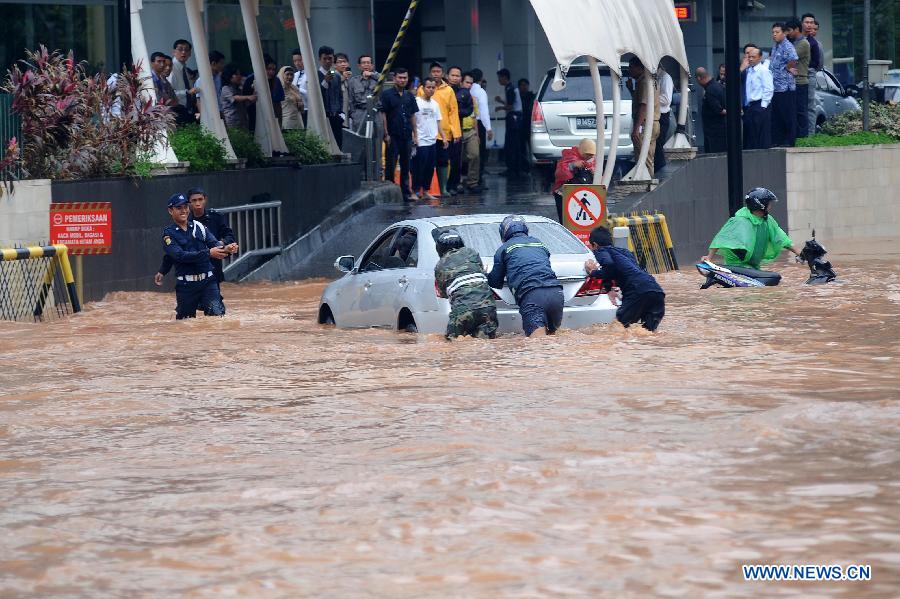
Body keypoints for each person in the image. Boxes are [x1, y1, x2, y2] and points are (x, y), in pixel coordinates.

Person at [487, 215, 564, 337]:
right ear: (525, 229)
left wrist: (482, 274)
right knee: (553, 341)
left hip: (532, 296)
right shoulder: (540, 244)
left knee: (538, 347)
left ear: (503, 234)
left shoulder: (503, 250)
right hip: (557, 294)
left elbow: (495, 282)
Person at [160, 193, 229, 319]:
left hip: (208, 282)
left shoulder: (199, 226)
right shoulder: (168, 234)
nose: (184, 210)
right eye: (179, 208)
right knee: (185, 323)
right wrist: (209, 253)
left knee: (218, 318)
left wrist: (226, 248)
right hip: (186, 286)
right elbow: (180, 255)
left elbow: (215, 244)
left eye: (185, 207)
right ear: (171, 211)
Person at [583, 226, 665, 332]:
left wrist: (593, 272)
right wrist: (609, 288)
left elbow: (608, 264)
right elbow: (618, 270)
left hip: (637, 291)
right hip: (656, 291)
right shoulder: (625, 253)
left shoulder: (601, 250)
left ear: (595, 244)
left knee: (619, 328)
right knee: (647, 333)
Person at [701, 187, 801, 271]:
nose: (771, 205)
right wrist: (709, 257)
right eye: (769, 203)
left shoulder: (768, 221)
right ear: (761, 204)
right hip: (736, 266)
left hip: (753, 267)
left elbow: (782, 239)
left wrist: (800, 253)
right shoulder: (740, 221)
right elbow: (722, 238)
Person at [157, 187, 239, 287]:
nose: (197, 203)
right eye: (194, 200)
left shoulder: (216, 217)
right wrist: (163, 271)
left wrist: (225, 246)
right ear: (189, 203)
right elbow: (174, 253)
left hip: (213, 267)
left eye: (200, 199)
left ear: (205, 199)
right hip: (191, 270)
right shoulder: (183, 222)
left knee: (215, 300)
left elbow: (229, 236)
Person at [433, 229, 498, 339]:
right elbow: (481, 271)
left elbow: (443, 294)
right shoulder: (472, 253)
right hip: (487, 308)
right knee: (486, 345)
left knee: (453, 346)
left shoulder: (440, 266)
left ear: (439, 248)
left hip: (462, 311)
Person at [418, 62, 460, 196]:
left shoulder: (448, 90)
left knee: (443, 161)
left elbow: (453, 112)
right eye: (434, 71)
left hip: (443, 132)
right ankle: (424, 189)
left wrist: (456, 132)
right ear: (430, 73)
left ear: (443, 74)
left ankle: (443, 188)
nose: (436, 74)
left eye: (438, 72)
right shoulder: (422, 89)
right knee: (426, 162)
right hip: (426, 133)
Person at [381, 68, 419, 201]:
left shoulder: (409, 96)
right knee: (391, 164)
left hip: (406, 134)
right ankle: (389, 193)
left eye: (405, 78)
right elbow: (383, 114)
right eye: (400, 77)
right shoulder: (386, 95)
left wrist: (415, 134)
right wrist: (386, 133)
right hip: (393, 134)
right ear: (394, 78)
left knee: (406, 165)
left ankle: (405, 193)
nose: (402, 80)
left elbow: (413, 115)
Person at [626, 57, 661, 177]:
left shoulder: (645, 82)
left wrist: (636, 128)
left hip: (646, 124)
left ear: (639, 68)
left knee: (644, 158)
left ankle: (647, 183)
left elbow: (643, 106)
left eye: (631, 67)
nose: (629, 70)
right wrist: (632, 90)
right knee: (647, 156)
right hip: (652, 122)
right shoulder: (649, 80)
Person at [413, 77, 445, 200]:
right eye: (428, 87)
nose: (431, 90)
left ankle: (426, 190)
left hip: (433, 140)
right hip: (421, 140)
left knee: (430, 168)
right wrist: (414, 136)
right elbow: (413, 120)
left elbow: (438, 122)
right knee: (419, 166)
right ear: (423, 88)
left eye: (433, 87)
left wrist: (444, 137)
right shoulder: (416, 102)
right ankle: (416, 190)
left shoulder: (435, 104)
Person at [551, 138, 596, 222]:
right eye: (587, 154)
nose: (590, 157)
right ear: (582, 152)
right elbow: (560, 174)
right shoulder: (569, 157)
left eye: (591, 155)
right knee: (566, 221)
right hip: (563, 195)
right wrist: (572, 165)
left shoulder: (592, 162)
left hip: (581, 194)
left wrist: (593, 172)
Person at [769, 22, 799, 147]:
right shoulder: (776, 45)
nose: (774, 35)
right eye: (773, 32)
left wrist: (788, 68)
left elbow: (794, 58)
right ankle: (779, 140)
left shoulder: (787, 46)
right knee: (778, 115)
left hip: (785, 87)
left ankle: (789, 141)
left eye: (777, 32)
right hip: (775, 87)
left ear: (784, 33)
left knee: (787, 115)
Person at [447, 66, 474, 194]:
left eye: (457, 76)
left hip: (457, 130)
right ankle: (443, 185)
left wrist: (458, 112)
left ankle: (454, 184)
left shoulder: (464, 93)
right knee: (442, 159)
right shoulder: (442, 90)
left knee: (456, 159)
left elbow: (469, 109)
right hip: (442, 131)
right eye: (453, 75)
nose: (455, 78)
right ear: (447, 76)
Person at [741, 45, 774, 150]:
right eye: (749, 56)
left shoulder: (763, 71)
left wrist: (763, 106)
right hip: (749, 106)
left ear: (759, 58)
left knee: (760, 134)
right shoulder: (748, 71)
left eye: (753, 57)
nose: (750, 59)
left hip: (759, 105)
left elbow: (768, 89)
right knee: (750, 134)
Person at [495, 68, 524, 177]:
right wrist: (501, 102)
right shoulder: (510, 88)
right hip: (514, 117)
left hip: (514, 118)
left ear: (504, 77)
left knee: (512, 144)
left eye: (499, 78)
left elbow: (511, 106)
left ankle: (513, 169)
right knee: (512, 144)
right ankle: (513, 168)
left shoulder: (510, 88)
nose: (499, 81)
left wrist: (500, 107)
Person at [243, 54, 283, 131]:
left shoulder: (276, 81)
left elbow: (278, 104)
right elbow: (246, 102)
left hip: (271, 115)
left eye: (273, 69)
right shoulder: (250, 79)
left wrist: (279, 122)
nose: (271, 72)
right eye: (268, 69)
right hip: (254, 115)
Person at [786, 18, 810, 138]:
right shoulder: (793, 42)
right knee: (793, 111)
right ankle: (795, 137)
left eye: (789, 30)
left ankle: (803, 137)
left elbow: (789, 58)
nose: (788, 33)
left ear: (796, 29)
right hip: (792, 82)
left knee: (801, 112)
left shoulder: (803, 43)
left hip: (800, 81)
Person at [469, 68, 493, 185]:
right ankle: (478, 178)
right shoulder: (480, 92)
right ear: (481, 79)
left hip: (468, 122)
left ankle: (471, 177)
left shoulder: (467, 89)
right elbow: (484, 111)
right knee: (480, 152)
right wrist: (488, 128)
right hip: (479, 123)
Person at [317, 45, 344, 147]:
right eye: (325, 59)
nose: (328, 61)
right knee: (325, 144)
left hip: (336, 116)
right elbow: (317, 94)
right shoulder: (316, 74)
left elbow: (339, 95)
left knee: (338, 144)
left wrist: (341, 113)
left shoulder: (335, 74)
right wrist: (325, 82)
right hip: (324, 116)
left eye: (330, 58)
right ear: (320, 59)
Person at [460, 72, 483, 192]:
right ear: (461, 82)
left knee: (475, 155)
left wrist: (477, 134)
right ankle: (457, 183)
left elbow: (475, 118)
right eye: (466, 82)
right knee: (457, 159)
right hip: (458, 131)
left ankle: (472, 182)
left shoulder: (473, 99)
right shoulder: (456, 96)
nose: (468, 85)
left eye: (470, 83)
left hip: (470, 131)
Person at [696, 67, 727, 153]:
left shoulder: (710, 90)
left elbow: (718, 109)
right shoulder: (719, 86)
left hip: (714, 132)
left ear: (699, 78)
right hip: (720, 130)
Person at [168, 39, 199, 120]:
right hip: (176, 110)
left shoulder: (184, 68)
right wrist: (187, 92)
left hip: (187, 109)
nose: (183, 52)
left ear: (190, 53)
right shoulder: (171, 68)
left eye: (186, 50)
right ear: (174, 52)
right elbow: (169, 94)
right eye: (180, 49)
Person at [803, 13, 822, 135]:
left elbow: (818, 64)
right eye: (807, 22)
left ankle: (810, 135)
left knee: (810, 105)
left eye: (812, 23)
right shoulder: (794, 40)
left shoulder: (815, 43)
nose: (810, 25)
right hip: (795, 77)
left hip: (809, 74)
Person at [220, 64, 256, 130]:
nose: (239, 76)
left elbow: (244, 104)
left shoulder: (238, 89)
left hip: (242, 121)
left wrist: (253, 96)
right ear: (229, 76)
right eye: (236, 74)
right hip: (232, 123)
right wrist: (248, 97)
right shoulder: (226, 88)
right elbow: (234, 98)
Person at [348, 54, 378, 131]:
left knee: (376, 138)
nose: (366, 65)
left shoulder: (378, 79)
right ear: (359, 66)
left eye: (368, 63)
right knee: (360, 138)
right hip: (359, 113)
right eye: (363, 63)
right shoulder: (353, 81)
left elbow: (384, 79)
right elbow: (351, 100)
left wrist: (371, 74)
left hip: (375, 112)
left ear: (372, 65)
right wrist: (353, 114)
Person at [654, 66, 674, 172]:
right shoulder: (654, 77)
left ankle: (661, 170)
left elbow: (666, 99)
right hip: (654, 114)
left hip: (662, 115)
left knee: (658, 144)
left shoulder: (665, 78)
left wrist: (651, 97)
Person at [518, 78, 536, 162]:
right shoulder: (518, 97)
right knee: (521, 147)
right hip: (521, 125)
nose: (524, 87)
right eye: (522, 85)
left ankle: (533, 164)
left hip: (530, 125)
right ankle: (524, 165)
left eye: (525, 85)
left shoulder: (531, 96)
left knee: (531, 146)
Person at [290, 48, 309, 122]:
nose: (297, 63)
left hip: (308, 110)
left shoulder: (311, 74)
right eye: (295, 61)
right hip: (295, 110)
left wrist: (297, 89)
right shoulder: (294, 75)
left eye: (300, 60)